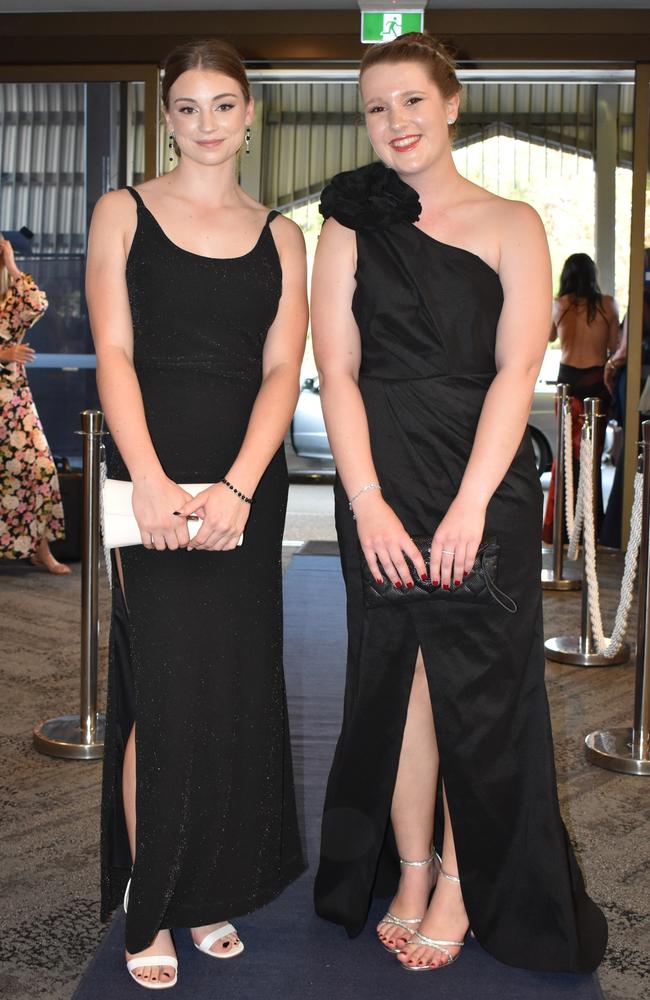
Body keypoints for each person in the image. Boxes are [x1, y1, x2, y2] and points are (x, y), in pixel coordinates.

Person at [312, 32, 607, 974]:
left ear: (450, 104)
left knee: (477, 696)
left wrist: (474, 503)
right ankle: (408, 868)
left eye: (410, 101)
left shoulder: (513, 221)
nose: (393, 122)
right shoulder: (351, 220)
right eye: (375, 108)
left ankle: (462, 882)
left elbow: (520, 367)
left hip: (483, 486)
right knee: (396, 688)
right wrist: (366, 501)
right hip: (381, 486)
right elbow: (338, 368)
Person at [86, 39, 307, 990]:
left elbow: (279, 370)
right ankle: (153, 897)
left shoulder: (283, 235)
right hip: (153, 478)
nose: (207, 123)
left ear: (250, 116)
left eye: (224, 105)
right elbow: (114, 351)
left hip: (246, 485)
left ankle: (206, 883)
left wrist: (242, 488)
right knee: (168, 695)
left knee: (232, 695)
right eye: (188, 106)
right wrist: (149, 476)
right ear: (166, 116)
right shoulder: (121, 212)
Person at [0, 234, 68, 573]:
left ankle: (40, 549)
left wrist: (13, 267)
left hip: (13, 399)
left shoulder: (10, 298)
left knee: (41, 468)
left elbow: (38, 303)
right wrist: (2, 353)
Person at [542, 253, 619, 541]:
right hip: (596, 384)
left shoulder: (559, 305)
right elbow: (613, 345)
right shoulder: (607, 305)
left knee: (565, 456)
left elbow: (549, 336)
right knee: (592, 457)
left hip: (567, 385)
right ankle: (590, 527)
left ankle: (561, 528)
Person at [600, 248, 650, 547]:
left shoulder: (642, 300)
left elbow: (625, 349)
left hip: (638, 381)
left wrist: (610, 364)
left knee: (634, 452)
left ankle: (621, 530)